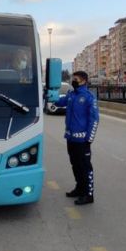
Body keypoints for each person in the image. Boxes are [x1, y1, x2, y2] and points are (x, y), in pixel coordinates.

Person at [54, 71, 99, 205]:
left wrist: (89, 139)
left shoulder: (89, 97)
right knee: (75, 165)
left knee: (85, 166)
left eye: (76, 79)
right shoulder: (71, 95)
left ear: (84, 81)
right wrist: (50, 94)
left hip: (82, 140)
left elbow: (94, 119)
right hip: (70, 138)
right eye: (73, 79)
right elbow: (58, 102)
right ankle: (79, 188)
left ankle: (88, 194)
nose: (73, 81)